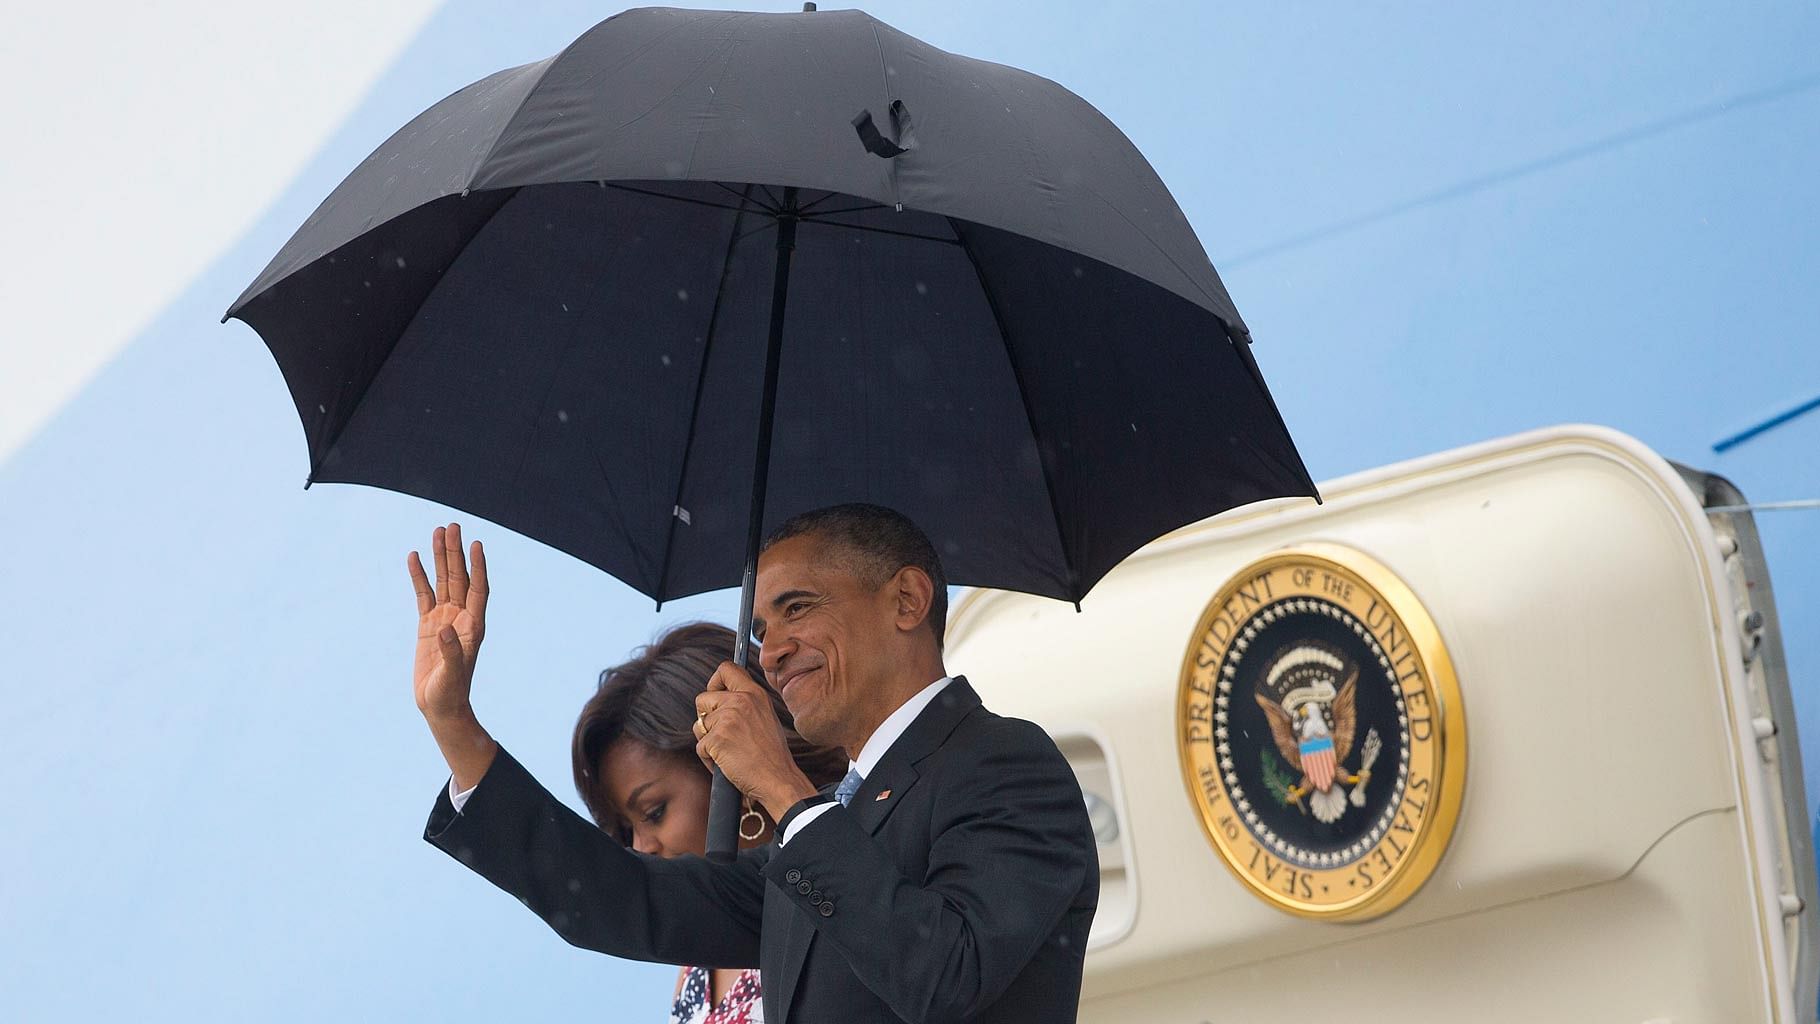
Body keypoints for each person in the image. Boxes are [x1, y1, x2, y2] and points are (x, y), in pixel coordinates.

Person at [410, 505, 1098, 1023]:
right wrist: (455, 725)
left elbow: (945, 976)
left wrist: (780, 789)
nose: (770, 654)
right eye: (763, 631)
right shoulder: (818, 837)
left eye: (798, 608)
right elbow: (628, 900)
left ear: (906, 600)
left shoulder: (1005, 766)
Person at [568, 621, 847, 1021]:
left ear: (725, 766)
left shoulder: (848, 885)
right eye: (627, 830)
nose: (641, 847)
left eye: (653, 812)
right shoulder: (696, 963)